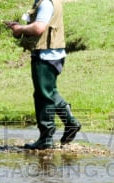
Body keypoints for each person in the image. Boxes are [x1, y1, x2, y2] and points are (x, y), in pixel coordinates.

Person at [7, 0, 81, 150]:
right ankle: (71, 123)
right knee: (50, 92)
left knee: (42, 96)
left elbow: (39, 28)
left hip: (46, 56)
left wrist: (20, 29)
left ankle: (46, 138)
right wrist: (20, 27)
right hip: (53, 54)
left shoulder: (46, 3)